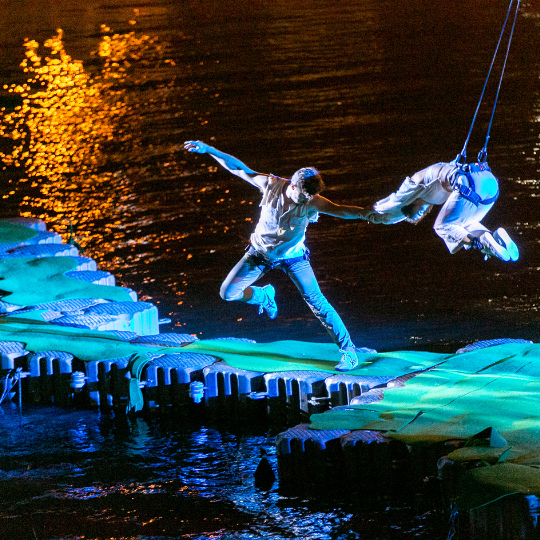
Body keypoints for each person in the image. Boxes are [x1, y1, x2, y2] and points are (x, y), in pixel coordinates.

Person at [183, 140, 376, 371]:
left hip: (294, 258)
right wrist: (210, 150)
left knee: (317, 301)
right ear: (293, 187)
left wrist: (370, 214)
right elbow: (238, 168)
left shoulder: (313, 200)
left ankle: (348, 352)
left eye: (310, 199)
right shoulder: (271, 185)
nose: (307, 203)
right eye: (303, 198)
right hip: (260, 254)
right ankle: (263, 296)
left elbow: (341, 209)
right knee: (228, 293)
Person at [361, 161, 519, 261]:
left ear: (412, 202)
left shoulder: (413, 185)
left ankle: (481, 242)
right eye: (421, 215)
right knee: (463, 225)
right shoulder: (435, 197)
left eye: (415, 212)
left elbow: (395, 200)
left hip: (470, 185)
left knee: (441, 226)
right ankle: (494, 237)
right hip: (489, 185)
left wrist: (370, 212)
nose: (422, 214)